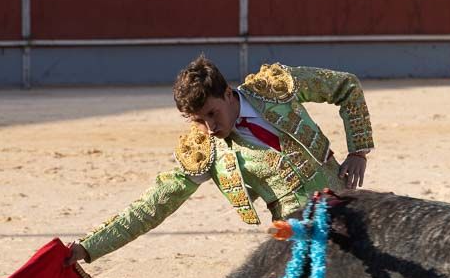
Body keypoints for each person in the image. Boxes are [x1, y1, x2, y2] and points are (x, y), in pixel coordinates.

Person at [64, 57, 374, 266]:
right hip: (298, 230)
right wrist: (89, 247)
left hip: (348, 201)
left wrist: (358, 150)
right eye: (198, 121)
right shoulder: (205, 150)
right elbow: (156, 204)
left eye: (212, 114)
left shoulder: (276, 88)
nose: (209, 128)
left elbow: (346, 86)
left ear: (228, 93)